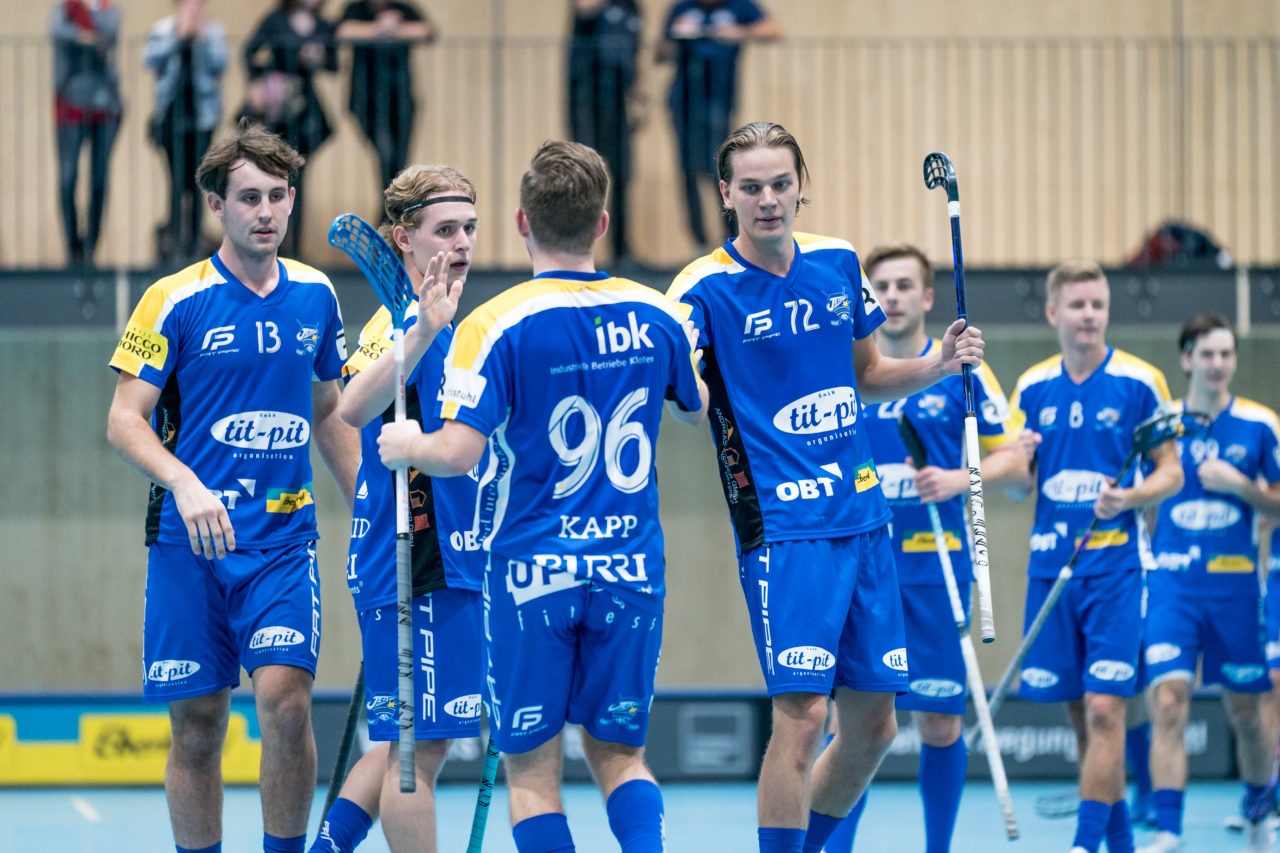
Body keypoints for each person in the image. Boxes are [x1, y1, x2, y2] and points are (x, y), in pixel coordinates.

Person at [378, 139, 709, 853]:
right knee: (621, 756)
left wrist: (407, 447)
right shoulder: (658, 313)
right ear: (603, 222)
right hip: (631, 566)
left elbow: (458, 457)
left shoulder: (494, 323)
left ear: (523, 223)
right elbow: (695, 410)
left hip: (532, 572)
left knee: (532, 772)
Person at [666, 121, 986, 853]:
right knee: (804, 717)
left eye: (781, 183)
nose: (769, 199)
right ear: (725, 194)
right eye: (751, 187)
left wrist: (939, 361)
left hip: (864, 521)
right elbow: (685, 402)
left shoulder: (840, 261)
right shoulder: (702, 287)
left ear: (801, 184)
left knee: (875, 726)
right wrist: (689, 387)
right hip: (784, 531)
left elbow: (868, 375)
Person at [105, 122, 360, 853]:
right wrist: (184, 481)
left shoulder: (315, 294)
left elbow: (327, 409)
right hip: (189, 544)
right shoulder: (171, 299)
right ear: (217, 203)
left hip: (282, 541)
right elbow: (125, 421)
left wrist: (367, 501)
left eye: (280, 195)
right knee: (198, 726)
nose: (268, 212)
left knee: (285, 705)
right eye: (250, 197)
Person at [817, 243, 1028, 853]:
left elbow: (1014, 459)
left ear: (928, 296)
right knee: (848, 723)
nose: (893, 294)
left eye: (906, 285)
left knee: (938, 720)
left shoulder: (963, 370)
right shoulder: (846, 369)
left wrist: (961, 479)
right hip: (860, 570)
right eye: (881, 285)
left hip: (935, 568)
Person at [308, 165, 484, 853]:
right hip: (417, 557)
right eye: (445, 229)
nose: (462, 241)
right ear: (401, 239)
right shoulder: (401, 321)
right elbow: (351, 408)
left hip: (450, 556)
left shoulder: (447, 321)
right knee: (415, 749)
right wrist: (421, 329)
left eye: (470, 227)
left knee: (410, 740)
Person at [1007, 260, 1184, 853]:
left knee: (1108, 712)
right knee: (1085, 721)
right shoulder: (1030, 388)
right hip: (1052, 569)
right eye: (1078, 305)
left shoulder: (1141, 382)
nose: (1089, 316)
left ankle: (1083, 846)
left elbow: (1172, 472)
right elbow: (1017, 485)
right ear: (1053, 312)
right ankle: (1121, 844)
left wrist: (1130, 496)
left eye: (1098, 305)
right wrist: (1014, 459)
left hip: (1117, 570)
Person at [1138, 314, 1280, 853]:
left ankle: (1258, 816)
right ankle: (1169, 831)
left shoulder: (1260, 424)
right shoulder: (1161, 425)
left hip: (1238, 590)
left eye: (1226, 354)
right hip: (1172, 587)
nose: (1217, 364)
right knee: (1168, 703)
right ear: (1186, 359)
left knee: (1247, 713)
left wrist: (1244, 487)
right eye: (1207, 354)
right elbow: (1138, 494)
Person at [656, 0, 780, 252]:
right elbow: (660, 52)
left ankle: (732, 239)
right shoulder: (682, 8)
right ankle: (698, 241)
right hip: (684, 100)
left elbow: (773, 30)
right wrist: (678, 34)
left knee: (721, 168)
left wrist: (739, 32)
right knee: (688, 170)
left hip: (719, 103)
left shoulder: (739, 6)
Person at [242, 0, 338, 258]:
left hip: (305, 110)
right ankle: (274, 244)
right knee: (274, 176)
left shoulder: (324, 25)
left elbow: (334, 64)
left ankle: (294, 248)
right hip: (278, 108)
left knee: (298, 178)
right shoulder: (276, 18)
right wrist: (258, 83)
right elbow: (249, 51)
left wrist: (320, 57)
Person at [144, 0, 228, 264]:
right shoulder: (163, 30)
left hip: (201, 117)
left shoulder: (213, 32)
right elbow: (149, 59)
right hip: (171, 116)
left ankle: (194, 241)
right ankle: (175, 240)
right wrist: (178, 37)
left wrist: (200, 40)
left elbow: (220, 64)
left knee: (199, 181)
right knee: (176, 181)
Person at [567, 0, 645, 264]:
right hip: (587, 99)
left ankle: (623, 252)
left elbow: (635, 55)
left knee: (622, 176)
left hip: (619, 101)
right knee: (586, 177)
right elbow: (582, 7)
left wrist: (639, 96)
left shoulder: (633, 9)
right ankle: (577, 251)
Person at [50, 0, 123, 268]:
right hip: (69, 104)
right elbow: (57, 30)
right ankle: (73, 247)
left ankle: (92, 247)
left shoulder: (109, 9)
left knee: (99, 180)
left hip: (105, 105)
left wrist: (87, 21)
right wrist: (88, 35)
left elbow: (110, 31)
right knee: (68, 178)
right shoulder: (65, 7)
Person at [336, 0, 435, 192]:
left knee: (399, 159)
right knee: (385, 153)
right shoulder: (356, 9)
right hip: (365, 99)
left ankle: (391, 208)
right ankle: (390, 207)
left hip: (401, 99)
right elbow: (342, 30)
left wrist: (394, 28)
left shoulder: (404, 9)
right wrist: (379, 27)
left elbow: (427, 31)